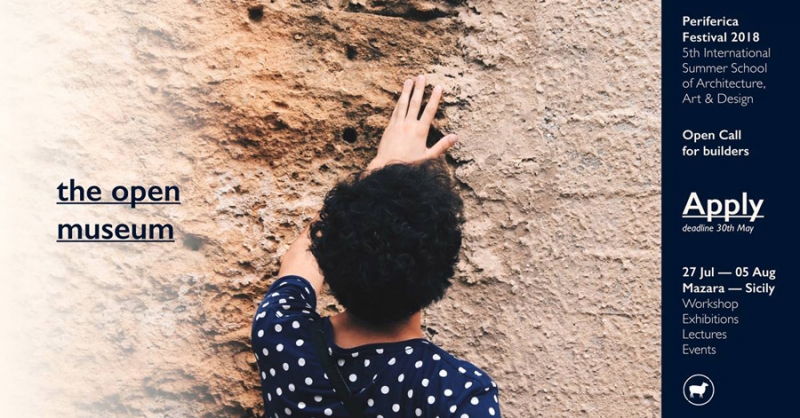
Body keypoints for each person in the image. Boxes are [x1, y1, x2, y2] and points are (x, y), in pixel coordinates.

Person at [252, 75, 501, 418]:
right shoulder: (459, 393)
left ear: (329, 258)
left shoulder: (281, 337)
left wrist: (383, 168)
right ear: (445, 269)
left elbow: (300, 260)